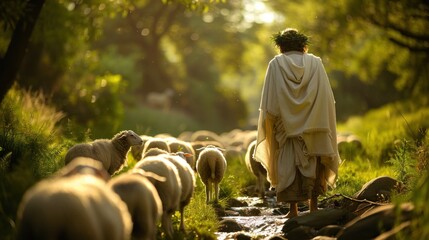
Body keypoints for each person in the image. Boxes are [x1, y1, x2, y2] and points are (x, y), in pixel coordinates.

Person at [254, 28, 340, 218]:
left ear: (281, 46)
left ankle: (293, 211)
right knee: (315, 162)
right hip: (314, 124)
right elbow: (326, 97)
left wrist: (276, 121)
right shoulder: (316, 63)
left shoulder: (276, 63)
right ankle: (313, 207)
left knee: (288, 164)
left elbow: (270, 100)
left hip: (285, 127)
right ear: (303, 45)